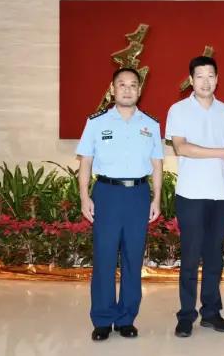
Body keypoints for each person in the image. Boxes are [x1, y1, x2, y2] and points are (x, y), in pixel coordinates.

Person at [77, 67, 164, 341]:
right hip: (107, 194)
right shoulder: (96, 122)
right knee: (104, 257)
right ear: (113, 89)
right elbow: (85, 162)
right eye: (122, 84)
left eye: (133, 84)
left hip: (138, 195)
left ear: (139, 90)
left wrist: (156, 198)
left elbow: (157, 165)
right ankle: (103, 319)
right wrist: (84, 197)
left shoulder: (151, 125)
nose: (127, 89)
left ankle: (126, 318)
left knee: (132, 258)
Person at [165, 56, 224, 338]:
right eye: (199, 76)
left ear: (217, 79)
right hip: (191, 194)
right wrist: (223, 152)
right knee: (190, 258)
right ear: (191, 80)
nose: (205, 81)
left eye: (210, 76)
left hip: (219, 193)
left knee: (214, 257)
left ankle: (211, 313)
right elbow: (182, 148)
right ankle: (186, 315)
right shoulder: (178, 110)